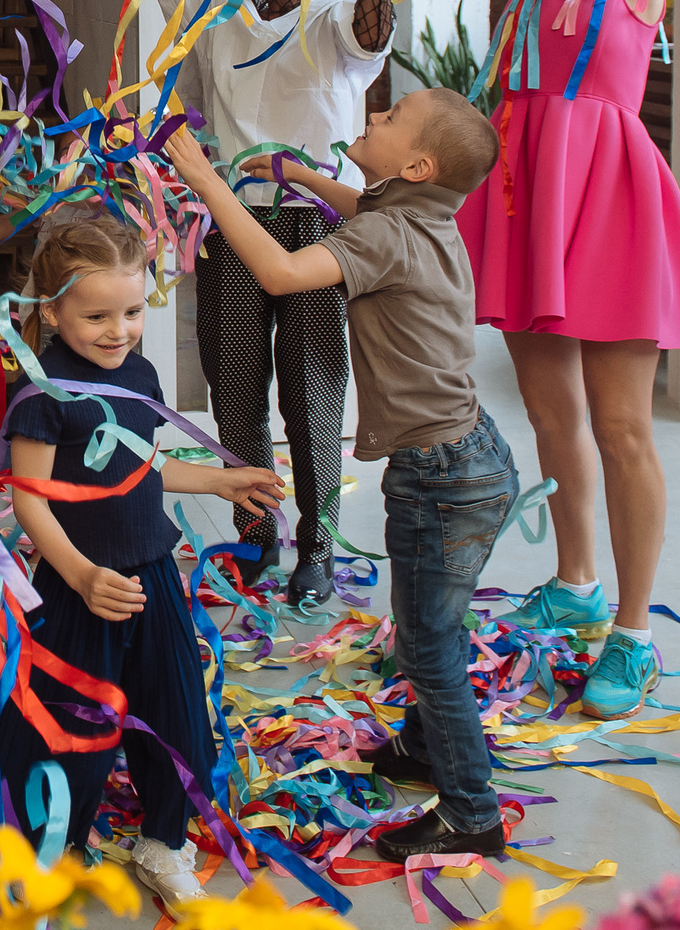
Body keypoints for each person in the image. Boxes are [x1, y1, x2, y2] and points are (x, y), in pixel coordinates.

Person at [164, 89, 518, 860]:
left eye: (392, 120)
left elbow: (286, 271)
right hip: (471, 458)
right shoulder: (421, 215)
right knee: (432, 626)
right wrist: (307, 178)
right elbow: (363, 205)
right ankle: (426, 749)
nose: (377, 114)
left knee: (427, 644)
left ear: (418, 165)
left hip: (440, 473)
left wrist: (210, 183)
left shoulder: (386, 233)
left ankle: (472, 812)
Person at [51, 0, 398, 604]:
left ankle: (318, 546)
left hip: (317, 231)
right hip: (231, 224)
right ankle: (255, 539)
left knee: (314, 396)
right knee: (236, 390)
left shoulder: (339, 23)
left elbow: (376, 29)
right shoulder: (219, 8)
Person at [463, 0, 680, 720]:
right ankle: (576, 579)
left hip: (608, 205)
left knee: (623, 426)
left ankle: (634, 632)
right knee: (553, 417)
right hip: (526, 198)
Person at [0, 214, 286, 906]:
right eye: (96, 314)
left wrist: (218, 478)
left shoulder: (140, 371)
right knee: (69, 727)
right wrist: (80, 574)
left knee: (176, 716)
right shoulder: (44, 392)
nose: (118, 329)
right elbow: (29, 501)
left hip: (153, 574)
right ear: (52, 307)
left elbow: (143, 463)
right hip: (76, 587)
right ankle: (49, 856)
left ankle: (163, 839)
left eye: (131, 311)